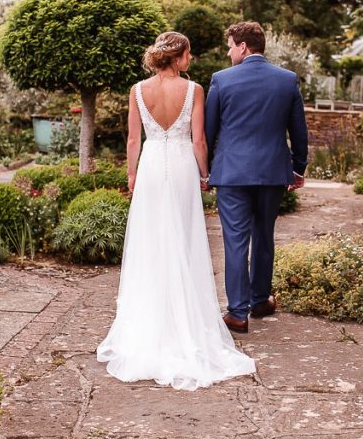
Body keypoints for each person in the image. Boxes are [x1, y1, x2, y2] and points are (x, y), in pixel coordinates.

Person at [96, 31, 256, 390]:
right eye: (189, 53)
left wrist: (132, 174)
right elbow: (199, 140)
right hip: (182, 166)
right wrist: (205, 172)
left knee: (150, 242)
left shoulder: (138, 90)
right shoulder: (194, 90)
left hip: (152, 166)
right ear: (178, 56)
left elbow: (133, 139)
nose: (192, 59)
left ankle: (149, 322)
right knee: (183, 240)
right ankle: (185, 320)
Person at [205, 21, 308, 334]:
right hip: (272, 172)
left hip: (232, 173)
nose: (228, 52)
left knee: (235, 241)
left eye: (230, 46)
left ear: (243, 47)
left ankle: (238, 313)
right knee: (264, 234)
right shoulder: (287, 80)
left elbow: (209, 130)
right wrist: (298, 167)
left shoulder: (221, 80)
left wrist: (207, 168)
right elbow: (299, 130)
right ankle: (260, 300)